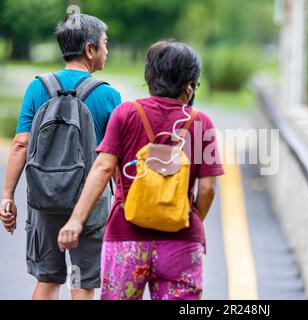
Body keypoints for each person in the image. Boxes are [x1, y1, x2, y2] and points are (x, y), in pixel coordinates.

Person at [57, 40, 224, 300]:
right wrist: (186, 219)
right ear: (189, 86)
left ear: (149, 77)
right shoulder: (201, 123)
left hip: (126, 237)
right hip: (180, 242)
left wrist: (76, 221)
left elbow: (102, 168)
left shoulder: (126, 114)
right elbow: (208, 189)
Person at [0, 14, 121, 300]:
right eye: (105, 44)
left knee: (48, 279)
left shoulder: (37, 87)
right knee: (81, 283)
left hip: (45, 201)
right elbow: (114, 157)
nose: (107, 50)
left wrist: (7, 195)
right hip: (89, 206)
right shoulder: (108, 96)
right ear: (90, 50)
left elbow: (20, 144)